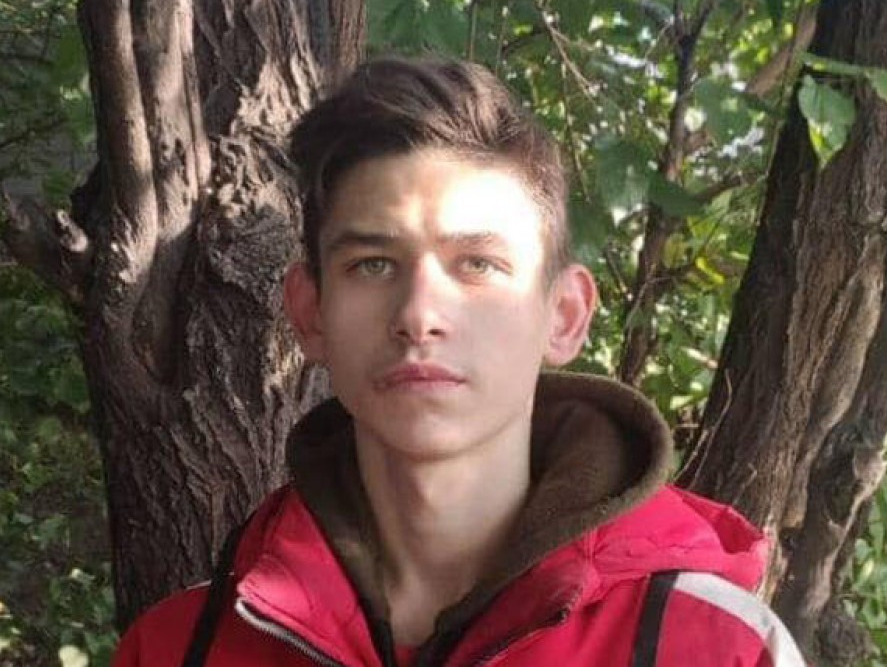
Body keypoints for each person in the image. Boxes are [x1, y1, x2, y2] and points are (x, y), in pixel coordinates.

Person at [112, 57, 806, 667]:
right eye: (372, 263)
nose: (420, 314)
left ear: (564, 315)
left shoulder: (717, 648)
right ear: (310, 311)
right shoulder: (178, 649)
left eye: (478, 264)